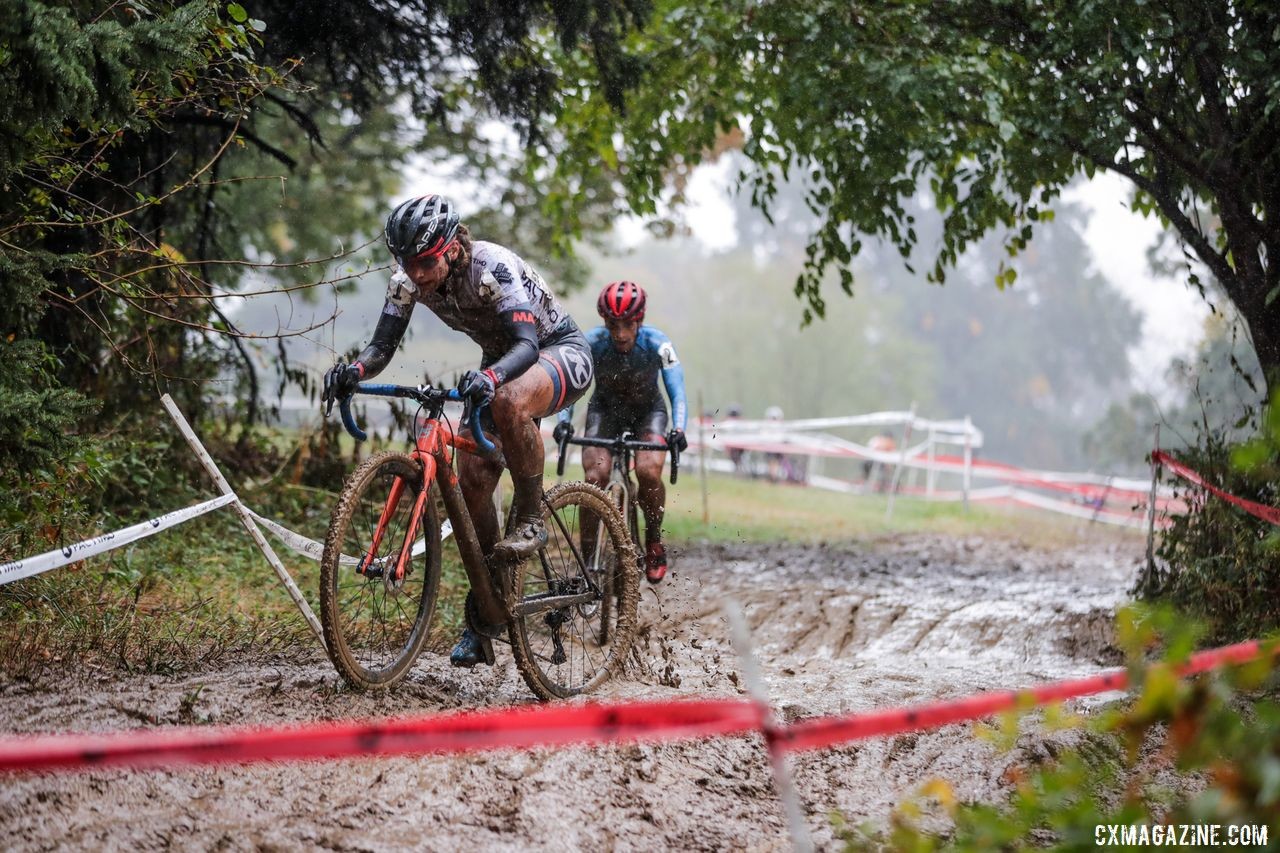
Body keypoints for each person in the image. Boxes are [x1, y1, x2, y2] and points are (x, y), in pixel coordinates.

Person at [320, 194, 594, 667]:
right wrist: (355, 370)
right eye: (405, 263)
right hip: (501, 363)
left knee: (510, 401)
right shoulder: (407, 280)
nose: (416, 274)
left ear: (450, 248)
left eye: (425, 262)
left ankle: (530, 515)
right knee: (471, 484)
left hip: (556, 351)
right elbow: (382, 346)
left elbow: (528, 343)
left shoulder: (493, 268)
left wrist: (490, 377)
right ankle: (490, 608)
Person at [553, 280, 687, 583]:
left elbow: (677, 391)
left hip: (648, 414)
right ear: (604, 322)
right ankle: (587, 562)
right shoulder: (590, 343)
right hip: (605, 411)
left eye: (628, 325)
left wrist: (678, 429)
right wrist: (564, 419)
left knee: (649, 471)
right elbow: (570, 385)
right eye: (613, 325)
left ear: (639, 320)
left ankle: (653, 542)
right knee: (594, 478)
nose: (621, 334)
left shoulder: (658, 343)